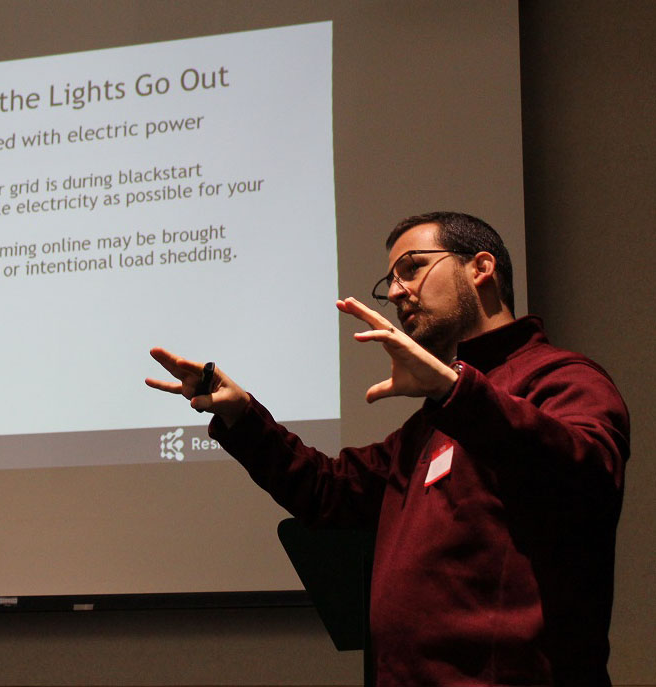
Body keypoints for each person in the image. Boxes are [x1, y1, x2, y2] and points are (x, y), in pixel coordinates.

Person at [146, 212, 629, 686]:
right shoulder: (430, 425)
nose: (397, 292)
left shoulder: (561, 378)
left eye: (413, 268)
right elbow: (329, 490)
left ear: (481, 268)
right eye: (391, 280)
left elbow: (588, 474)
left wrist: (454, 391)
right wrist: (242, 417)